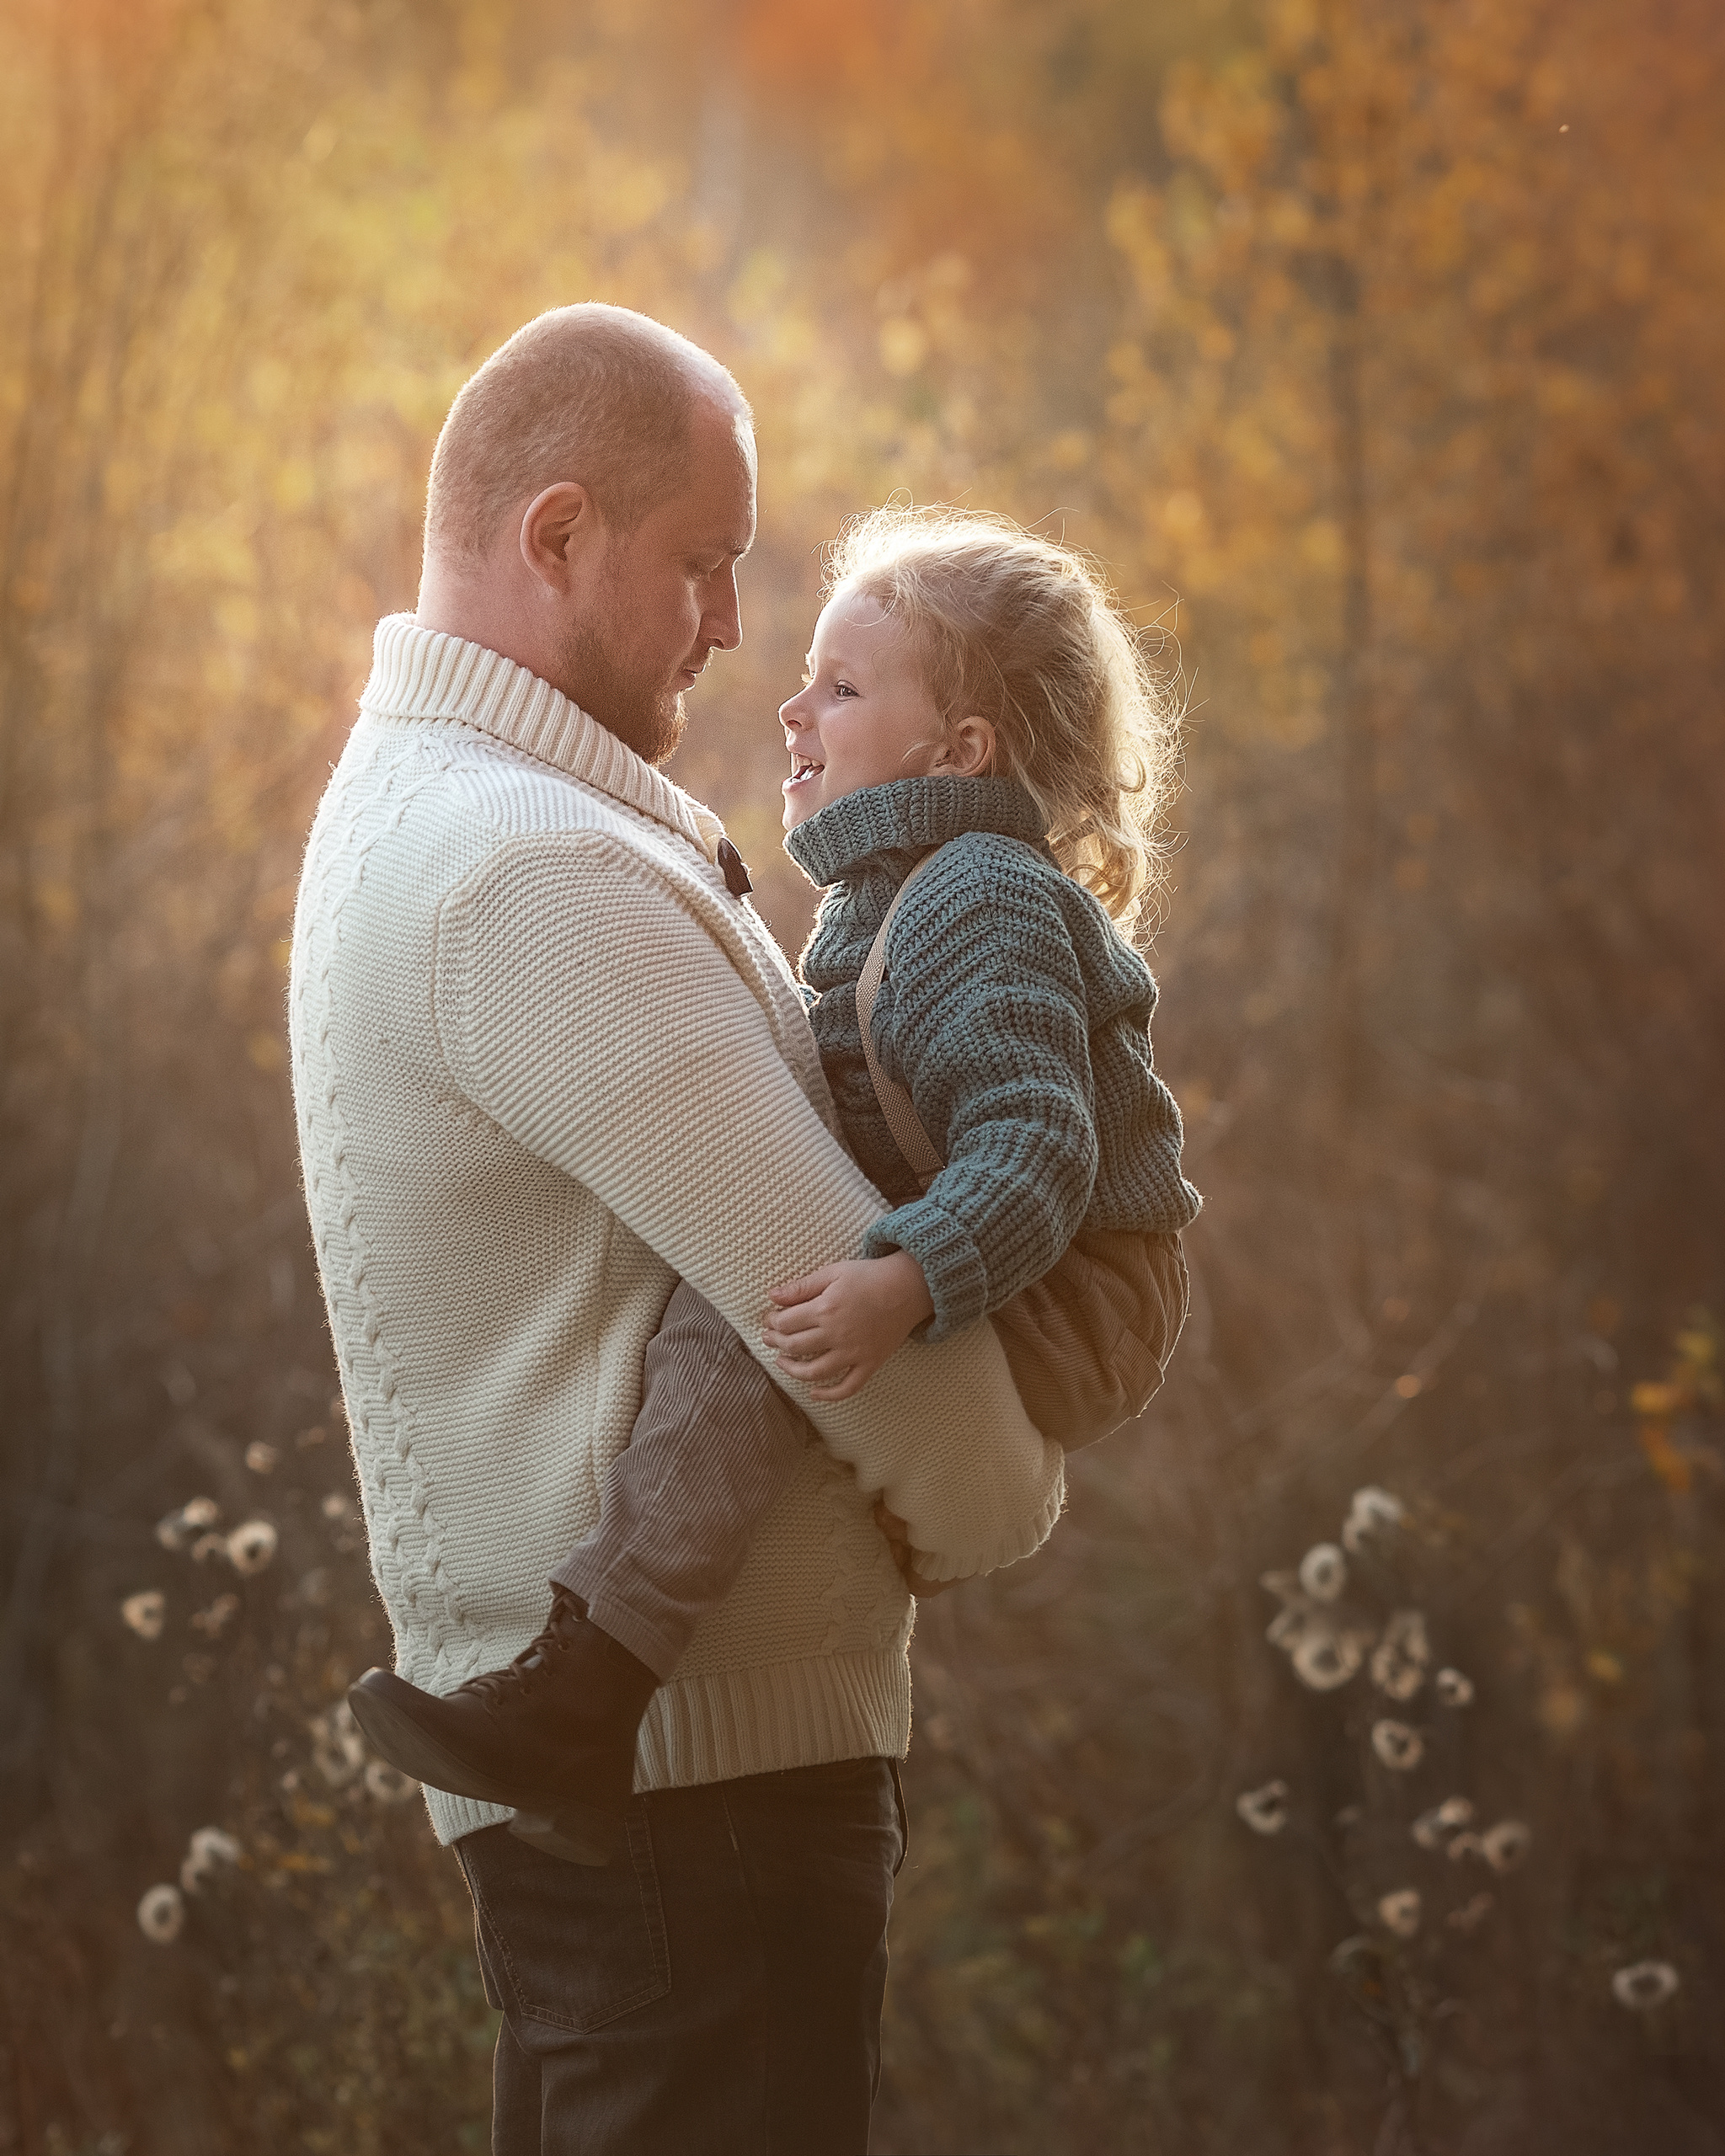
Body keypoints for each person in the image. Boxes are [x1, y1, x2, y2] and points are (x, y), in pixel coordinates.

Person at [291, 303, 1065, 2156]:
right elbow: (820, 1283)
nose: (733, 624)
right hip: (698, 1814)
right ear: (553, 536)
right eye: (700, 565)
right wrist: (1002, 1502)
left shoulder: (470, 810)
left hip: (660, 1806)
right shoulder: (528, 870)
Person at [350, 505, 1201, 1875]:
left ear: (960, 752)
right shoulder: (890, 893)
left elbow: (1038, 1149)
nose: (795, 707)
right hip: (987, 1235)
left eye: (845, 688)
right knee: (739, 1300)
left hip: (1079, 1289)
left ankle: (588, 1682)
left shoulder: (978, 889)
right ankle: (589, 1680)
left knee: (768, 1319)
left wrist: (902, 1281)